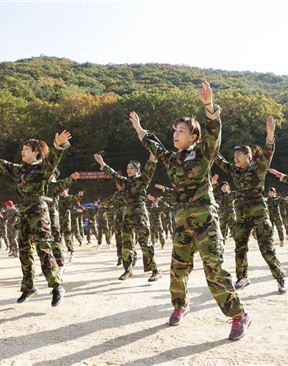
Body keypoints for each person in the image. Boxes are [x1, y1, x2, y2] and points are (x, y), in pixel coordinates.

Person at [129, 81, 250, 340]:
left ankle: (239, 315)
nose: (176, 134)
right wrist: (140, 129)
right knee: (178, 268)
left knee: (214, 268)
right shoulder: (171, 158)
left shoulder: (204, 153)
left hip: (205, 218)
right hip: (182, 221)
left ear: (193, 136)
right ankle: (180, 306)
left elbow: (214, 134)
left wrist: (208, 106)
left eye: (181, 131)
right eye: (175, 130)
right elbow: (154, 147)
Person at [0, 130, 71, 306]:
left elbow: (54, 158)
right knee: (24, 251)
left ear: (36, 152)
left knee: (43, 249)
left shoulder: (43, 167)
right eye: (22, 149)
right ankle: (29, 288)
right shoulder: (21, 169)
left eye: (26, 149)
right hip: (24, 213)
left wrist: (58, 145)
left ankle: (57, 286)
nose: (22, 152)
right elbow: (5, 165)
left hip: (38, 212)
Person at [214, 116, 286, 293]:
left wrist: (270, 135)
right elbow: (219, 159)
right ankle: (242, 277)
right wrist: (208, 143)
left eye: (238, 155)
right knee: (240, 246)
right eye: (234, 156)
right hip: (242, 214)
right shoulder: (234, 170)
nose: (235, 158)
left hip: (259, 212)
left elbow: (268, 152)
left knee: (266, 248)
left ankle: (280, 278)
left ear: (248, 156)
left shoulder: (257, 168)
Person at [93, 153, 162, 282]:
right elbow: (114, 175)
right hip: (127, 214)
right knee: (127, 244)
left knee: (144, 243)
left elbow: (149, 170)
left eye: (132, 168)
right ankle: (128, 270)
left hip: (140, 213)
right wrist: (103, 165)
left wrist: (152, 158)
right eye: (128, 168)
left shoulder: (142, 180)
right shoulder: (124, 182)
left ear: (137, 170)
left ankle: (155, 270)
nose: (129, 170)